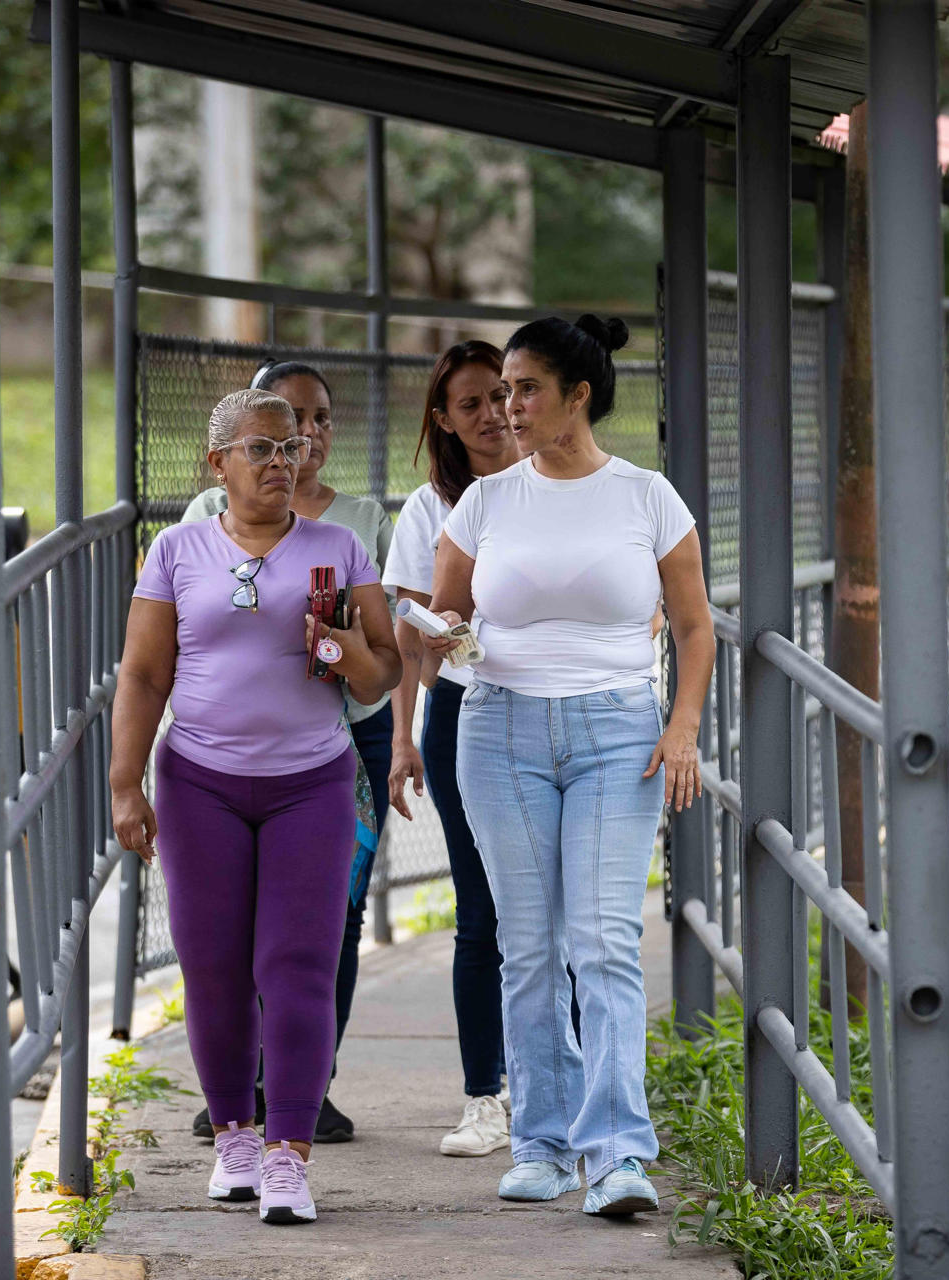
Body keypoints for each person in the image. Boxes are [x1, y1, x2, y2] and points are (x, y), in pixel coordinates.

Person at [425, 314, 714, 1218]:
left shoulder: (648, 497)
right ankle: (542, 1145)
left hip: (618, 737)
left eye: (524, 389)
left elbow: (697, 626)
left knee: (604, 943)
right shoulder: (485, 502)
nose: (506, 407)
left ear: (577, 396)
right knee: (529, 945)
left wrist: (682, 730)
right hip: (499, 730)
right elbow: (441, 618)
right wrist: (444, 638)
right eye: (502, 391)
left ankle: (620, 1154)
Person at [110, 387, 401, 1226]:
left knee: (298, 965)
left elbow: (385, 671)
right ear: (219, 465)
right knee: (213, 966)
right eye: (262, 449)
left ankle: (288, 1156)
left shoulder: (339, 547)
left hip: (311, 781)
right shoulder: (176, 550)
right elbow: (142, 674)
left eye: (293, 446)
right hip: (199, 781)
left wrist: (351, 654)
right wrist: (126, 783)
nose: (283, 461)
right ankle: (234, 1138)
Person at [179, 361, 393, 1146]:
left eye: (321, 421)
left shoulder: (360, 522)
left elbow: (383, 647)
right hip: (228, 746)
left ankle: (309, 1081)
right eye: (283, 425)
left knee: (331, 917)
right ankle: (240, 1083)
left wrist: (347, 658)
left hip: (343, 732)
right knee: (235, 920)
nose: (303, 439)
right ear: (233, 450)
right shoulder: (207, 515)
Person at [383, 340, 518, 1157]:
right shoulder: (428, 511)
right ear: (443, 418)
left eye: (503, 394)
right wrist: (402, 736)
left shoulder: (555, 486)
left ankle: (558, 1091)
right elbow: (410, 640)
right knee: (482, 912)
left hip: (546, 709)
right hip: (464, 712)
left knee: (557, 911)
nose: (494, 413)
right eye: (472, 403)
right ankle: (484, 1096)